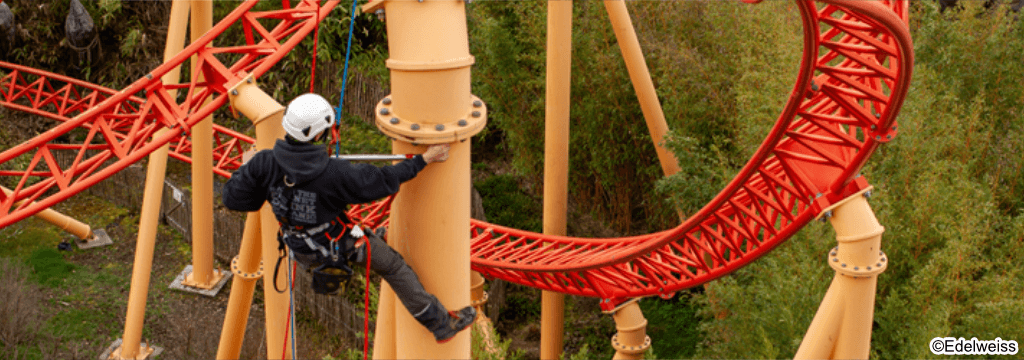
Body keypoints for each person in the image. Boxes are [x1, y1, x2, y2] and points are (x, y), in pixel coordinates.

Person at [221, 93, 476, 343]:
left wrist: (248, 171)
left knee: (370, 238)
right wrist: (424, 160)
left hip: (300, 246)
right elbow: (384, 180)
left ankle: (375, 240)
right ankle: (440, 323)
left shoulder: (264, 163)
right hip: (335, 245)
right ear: (319, 134)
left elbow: (235, 199)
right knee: (395, 267)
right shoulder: (334, 173)